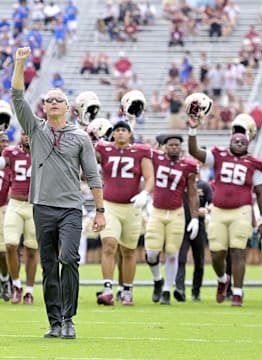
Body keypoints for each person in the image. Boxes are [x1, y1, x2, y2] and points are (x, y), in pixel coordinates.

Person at [11, 47, 105, 339]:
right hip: (41, 206)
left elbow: (92, 175)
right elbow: (16, 97)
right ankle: (54, 321)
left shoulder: (80, 137)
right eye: (48, 99)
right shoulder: (35, 129)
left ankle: (69, 318)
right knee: (48, 264)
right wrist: (20, 63)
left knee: (69, 259)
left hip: (70, 209)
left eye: (58, 100)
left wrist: (100, 211)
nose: (52, 102)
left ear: (68, 108)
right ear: (44, 107)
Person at [187, 119, 262, 307]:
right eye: (236, 141)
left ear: (248, 144)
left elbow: (261, 194)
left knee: (238, 251)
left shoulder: (253, 164)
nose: (239, 144)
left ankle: (238, 292)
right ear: (230, 142)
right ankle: (223, 279)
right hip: (219, 210)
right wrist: (192, 130)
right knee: (216, 254)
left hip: (242, 210)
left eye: (242, 142)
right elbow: (194, 152)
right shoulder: (219, 155)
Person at [95, 120, 154, 306]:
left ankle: (127, 290)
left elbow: (150, 177)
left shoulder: (141, 152)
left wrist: (145, 192)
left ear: (130, 134)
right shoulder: (104, 149)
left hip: (132, 207)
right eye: (117, 130)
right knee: (109, 245)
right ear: (112, 133)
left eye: (124, 130)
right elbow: (87, 158)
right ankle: (107, 289)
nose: (120, 133)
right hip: (109, 205)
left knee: (129, 251)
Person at [145, 134, 199, 305]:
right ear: (165, 146)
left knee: (172, 253)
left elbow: (192, 193)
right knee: (151, 252)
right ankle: (157, 279)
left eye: (177, 145)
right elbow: (143, 151)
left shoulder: (188, 166)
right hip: (157, 211)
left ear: (181, 148)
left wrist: (195, 217)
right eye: (171, 145)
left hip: (176, 213)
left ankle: (167, 290)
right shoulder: (157, 158)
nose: (174, 147)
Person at [2, 131, 38, 305]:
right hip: (15, 203)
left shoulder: (43, 151)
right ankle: (16, 285)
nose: (26, 137)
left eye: (29, 133)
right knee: (10, 245)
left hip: (35, 205)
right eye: (24, 133)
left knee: (31, 249)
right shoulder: (11, 152)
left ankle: (29, 290)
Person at [174, 175, 213, 302]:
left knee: (199, 260)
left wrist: (205, 210)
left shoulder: (204, 186)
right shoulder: (181, 183)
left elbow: (212, 204)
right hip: (182, 223)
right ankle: (180, 289)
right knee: (181, 258)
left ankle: (196, 291)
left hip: (199, 225)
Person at [0, 132, 11, 302]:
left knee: (3, 251)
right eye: (1, 141)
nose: (4, 144)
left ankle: (4, 280)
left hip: (4, 208)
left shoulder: (12, 162)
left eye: (6, 140)